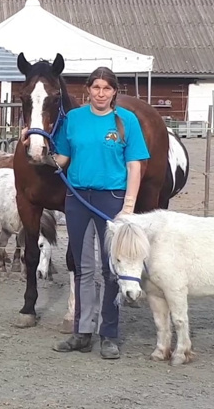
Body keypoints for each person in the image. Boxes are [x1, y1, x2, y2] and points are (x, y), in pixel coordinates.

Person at [50, 67, 150, 359]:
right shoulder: (74, 119)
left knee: (110, 269)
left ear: (114, 91)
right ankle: (82, 332)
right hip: (77, 198)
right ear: (88, 90)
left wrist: (128, 206)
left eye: (107, 88)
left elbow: (134, 166)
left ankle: (109, 334)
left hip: (112, 199)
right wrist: (37, 149)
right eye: (96, 88)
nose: (101, 94)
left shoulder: (127, 121)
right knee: (83, 268)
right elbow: (62, 159)